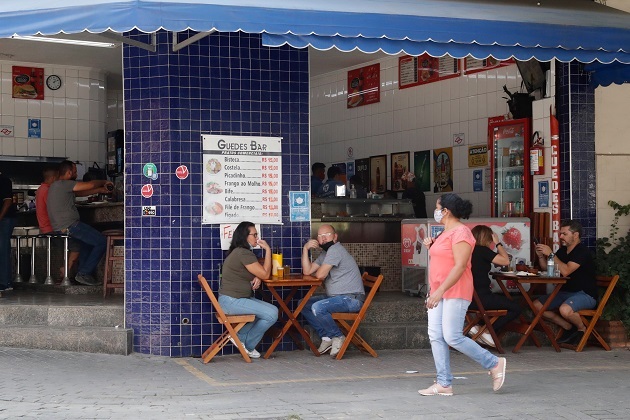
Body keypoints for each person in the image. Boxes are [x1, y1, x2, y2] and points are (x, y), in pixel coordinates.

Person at [419, 193, 506, 396]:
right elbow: (446, 259)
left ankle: (494, 363)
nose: (436, 211)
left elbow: (459, 266)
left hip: (454, 291)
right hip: (438, 290)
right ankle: (443, 383)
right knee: (436, 335)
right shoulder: (445, 232)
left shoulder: (461, 233)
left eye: (438, 207)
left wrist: (440, 291)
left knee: (452, 336)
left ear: (446, 211)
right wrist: (431, 246)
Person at [301, 224, 365, 358]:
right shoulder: (326, 252)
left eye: (326, 235)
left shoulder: (335, 250)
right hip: (337, 297)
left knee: (318, 307)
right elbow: (307, 271)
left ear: (335, 237)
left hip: (351, 299)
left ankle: (337, 336)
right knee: (304, 304)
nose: (323, 239)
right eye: (319, 236)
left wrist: (320, 271)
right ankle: (327, 337)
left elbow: (319, 275)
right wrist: (305, 248)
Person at [218, 221, 278, 359]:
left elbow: (256, 272)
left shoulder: (239, 252)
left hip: (231, 300)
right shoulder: (244, 253)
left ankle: (241, 338)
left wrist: (258, 276)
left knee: (266, 312)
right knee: (272, 314)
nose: (257, 238)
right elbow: (265, 273)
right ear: (245, 236)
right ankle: (247, 344)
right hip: (232, 301)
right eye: (254, 235)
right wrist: (268, 250)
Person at [47, 160, 112, 286]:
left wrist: (100, 190)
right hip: (70, 225)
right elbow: (89, 185)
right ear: (69, 172)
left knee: (87, 244)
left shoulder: (57, 185)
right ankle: (84, 273)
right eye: (75, 171)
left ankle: (82, 276)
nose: (77, 174)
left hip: (63, 227)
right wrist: (104, 182)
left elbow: (82, 192)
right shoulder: (65, 184)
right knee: (102, 241)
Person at [533, 219, 597, 346]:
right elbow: (547, 269)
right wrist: (541, 256)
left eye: (564, 234)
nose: (561, 237)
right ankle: (567, 326)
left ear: (576, 235)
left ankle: (582, 330)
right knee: (536, 305)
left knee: (565, 309)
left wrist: (551, 254)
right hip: (564, 292)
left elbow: (566, 271)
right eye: (560, 234)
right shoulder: (562, 251)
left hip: (584, 294)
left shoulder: (582, 252)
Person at [468, 225, 522, 347]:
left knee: (500, 302)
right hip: (481, 298)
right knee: (515, 307)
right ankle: (486, 330)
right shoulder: (482, 250)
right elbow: (505, 261)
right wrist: (498, 243)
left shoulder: (468, 250)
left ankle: (478, 327)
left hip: (467, 298)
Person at [0, 171, 17, 292]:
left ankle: (5, 283)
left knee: (3, 249)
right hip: (3, 219)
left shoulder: (4, 180)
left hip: (5, 219)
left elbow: (8, 201)